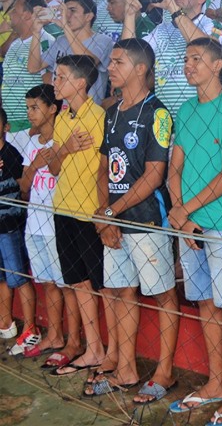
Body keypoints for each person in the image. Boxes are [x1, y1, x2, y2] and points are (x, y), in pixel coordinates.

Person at [87, 39, 179, 404]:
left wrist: (112, 211)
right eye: (110, 61)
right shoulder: (112, 111)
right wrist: (104, 214)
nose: (110, 68)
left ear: (141, 68)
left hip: (146, 220)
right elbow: (103, 167)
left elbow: (154, 176)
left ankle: (165, 371)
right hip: (115, 220)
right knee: (121, 290)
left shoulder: (157, 113)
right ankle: (125, 368)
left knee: (162, 294)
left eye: (118, 62)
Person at [167, 38, 222, 425]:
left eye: (196, 59)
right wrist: (179, 211)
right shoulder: (185, 110)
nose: (188, 66)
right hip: (190, 223)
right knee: (204, 301)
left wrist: (187, 209)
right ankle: (216, 381)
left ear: (218, 65)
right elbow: (175, 167)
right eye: (186, 60)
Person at [47, 54, 106, 376]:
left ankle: (105, 352)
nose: (55, 81)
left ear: (80, 83)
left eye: (61, 76)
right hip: (63, 208)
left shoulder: (98, 117)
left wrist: (102, 213)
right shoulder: (62, 118)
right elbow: (54, 167)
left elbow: (102, 169)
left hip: (87, 211)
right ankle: (93, 347)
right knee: (78, 282)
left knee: (98, 283)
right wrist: (66, 148)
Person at [125, 0, 216, 118]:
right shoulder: (162, 29)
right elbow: (129, 55)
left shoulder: (211, 24)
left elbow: (204, 48)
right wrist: (129, 15)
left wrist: (174, 9)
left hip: (200, 115)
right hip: (163, 116)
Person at [17, 84, 63, 359]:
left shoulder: (64, 140)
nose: (30, 113)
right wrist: (34, 167)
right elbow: (24, 187)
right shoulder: (32, 143)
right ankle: (54, 334)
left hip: (55, 225)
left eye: (35, 107)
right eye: (28, 108)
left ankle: (65, 340)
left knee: (64, 284)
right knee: (47, 282)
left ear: (53, 108)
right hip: (34, 224)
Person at [30, 0, 114, 103]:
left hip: (89, 110)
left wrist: (65, 27)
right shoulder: (61, 40)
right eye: (64, 11)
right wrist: (36, 32)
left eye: (72, 10)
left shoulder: (103, 40)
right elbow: (33, 68)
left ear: (88, 16)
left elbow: (88, 64)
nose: (67, 15)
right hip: (62, 112)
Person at [2, 0, 54, 152]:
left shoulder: (46, 41)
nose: (9, 13)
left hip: (29, 124)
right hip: (9, 124)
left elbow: (48, 85)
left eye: (14, 9)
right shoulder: (15, 44)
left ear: (26, 14)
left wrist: (40, 124)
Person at [0, 107, 32, 354]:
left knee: (18, 277)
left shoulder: (11, 155)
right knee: (2, 276)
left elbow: (19, 190)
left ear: (5, 127)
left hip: (9, 226)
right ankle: (6, 322)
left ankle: (30, 329)